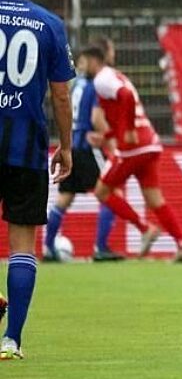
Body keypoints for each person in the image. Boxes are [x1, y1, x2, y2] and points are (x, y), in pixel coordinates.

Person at [0, 0, 73, 360]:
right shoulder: (49, 24)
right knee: (22, 245)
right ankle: (11, 340)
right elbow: (60, 95)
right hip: (27, 147)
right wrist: (66, 146)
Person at [77, 46, 182, 263]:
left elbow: (127, 96)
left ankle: (145, 228)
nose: (83, 67)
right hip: (149, 143)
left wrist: (129, 130)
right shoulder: (115, 76)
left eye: (85, 61)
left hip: (133, 146)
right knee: (155, 199)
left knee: (102, 191)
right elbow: (122, 108)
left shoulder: (101, 80)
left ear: (94, 60)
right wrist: (108, 135)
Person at [43, 37, 124, 263]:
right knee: (110, 193)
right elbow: (96, 118)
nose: (113, 56)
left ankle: (48, 248)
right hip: (89, 148)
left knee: (64, 198)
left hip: (73, 146)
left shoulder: (77, 83)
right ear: (102, 55)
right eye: (111, 51)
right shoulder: (98, 83)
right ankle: (101, 247)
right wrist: (111, 141)